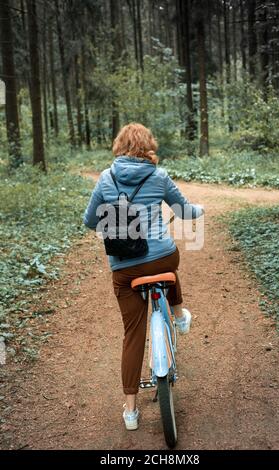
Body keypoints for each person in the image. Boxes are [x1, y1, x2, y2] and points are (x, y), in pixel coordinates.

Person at [83, 123, 203, 431]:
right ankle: (177, 316)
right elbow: (185, 211)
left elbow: (89, 221)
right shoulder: (158, 176)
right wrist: (198, 210)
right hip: (160, 258)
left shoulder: (106, 179)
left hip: (125, 268)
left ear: (119, 146)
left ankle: (131, 411)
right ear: (148, 145)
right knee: (169, 263)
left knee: (132, 334)